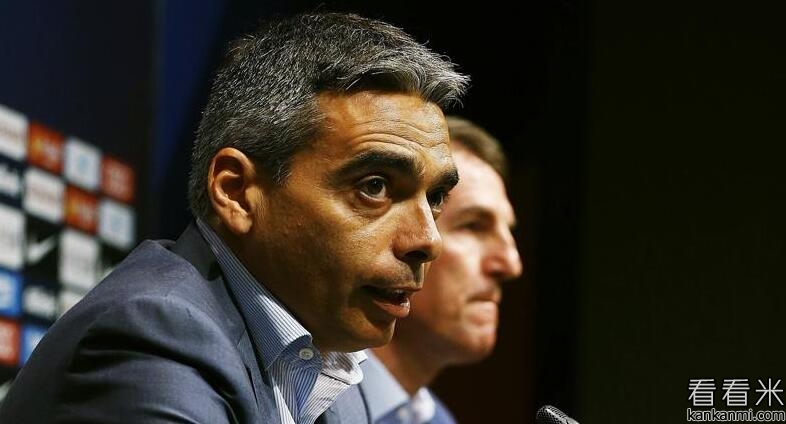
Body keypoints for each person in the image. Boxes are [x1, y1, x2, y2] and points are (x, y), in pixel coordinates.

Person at [0, 13, 468, 424]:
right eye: (375, 187)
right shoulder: (152, 336)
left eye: (436, 197)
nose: (428, 240)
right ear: (237, 192)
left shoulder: (337, 379)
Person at [357, 116, 523, 423]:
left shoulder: (436, 419)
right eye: (473, 226)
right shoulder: (296, 404)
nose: (510, 264)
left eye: (509, 232)